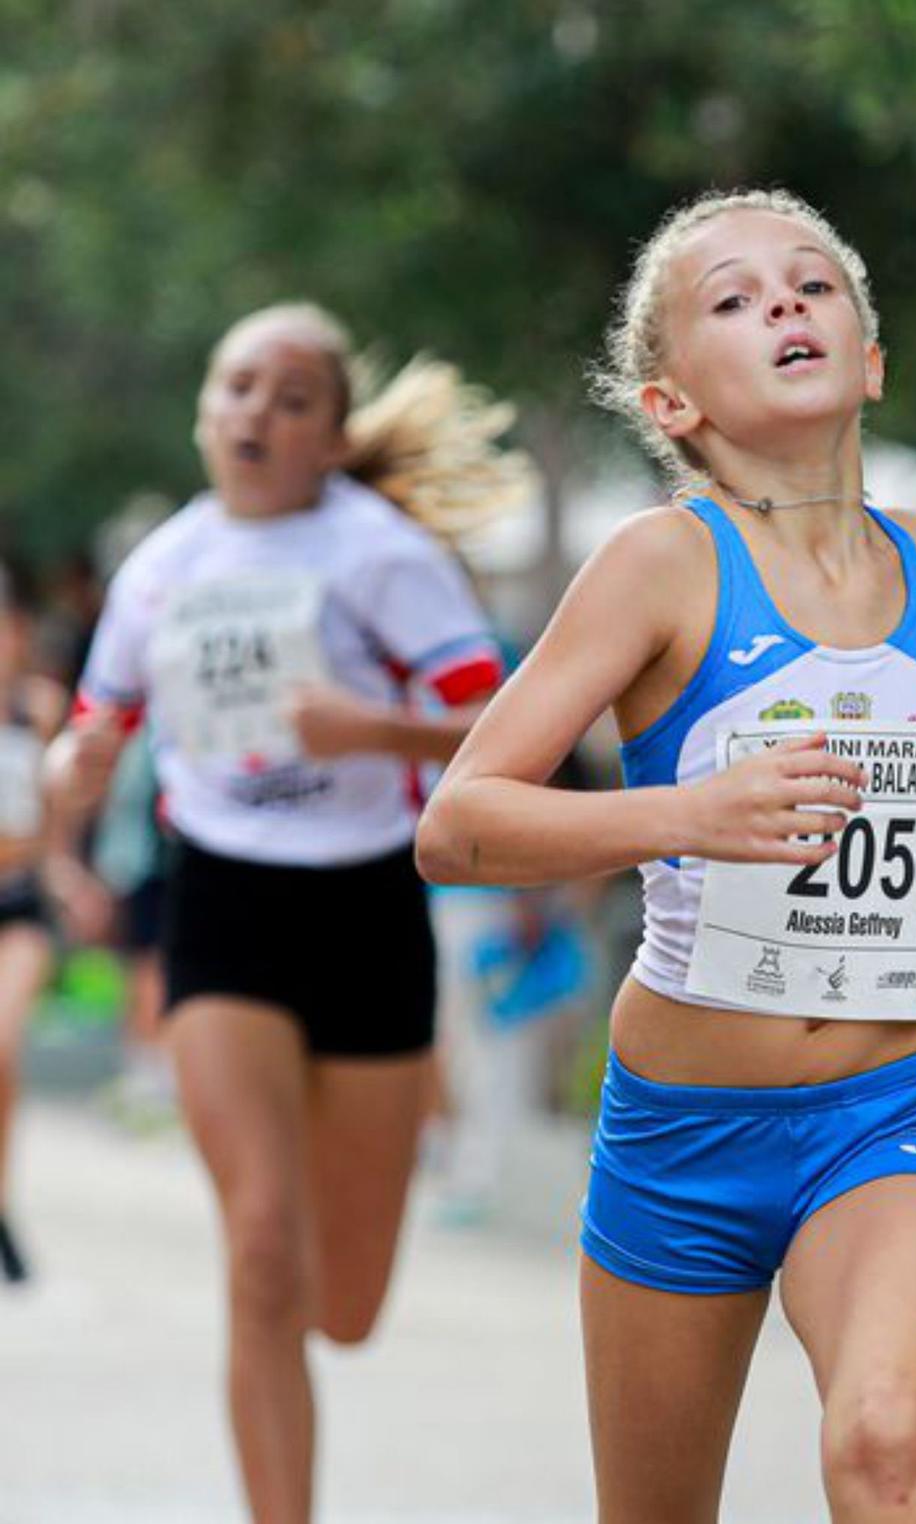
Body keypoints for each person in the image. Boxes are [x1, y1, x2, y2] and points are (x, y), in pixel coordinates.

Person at [417, 189, 916, 1524]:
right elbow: (460, 824)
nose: (783, 303)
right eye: (733, 298)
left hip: (885, 1111)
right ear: (674, 404)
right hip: (685, 1129)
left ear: (872, 357)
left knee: (888, 1445)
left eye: (812, 284)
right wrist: (684, 814)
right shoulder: (657, 569)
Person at [45, 302, 529, 1524]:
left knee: (345, 1309)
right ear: (205, 411)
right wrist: (71, 790)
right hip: (222, 904)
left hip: (369, 905)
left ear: (330, 435)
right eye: (236, 387)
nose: (257, 412)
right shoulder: (163, 569)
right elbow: (90, 737)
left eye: (292, 397)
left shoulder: (382, 558)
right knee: (261, 1247)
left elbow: (508, 728)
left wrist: (374, 729)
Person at [0, 558, 68, 1283]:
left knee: (2, 1045)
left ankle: (2, 1200)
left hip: (19, 903)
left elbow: (55, 820)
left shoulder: (40, 708)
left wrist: (64, 869)